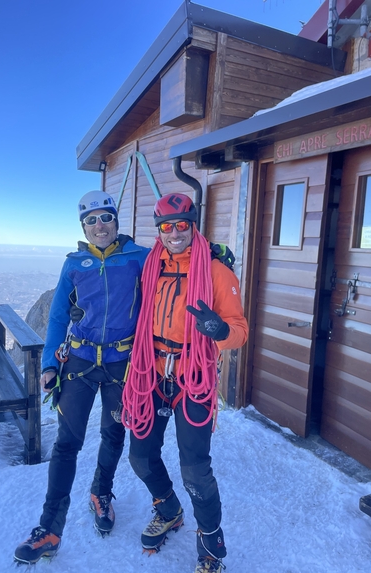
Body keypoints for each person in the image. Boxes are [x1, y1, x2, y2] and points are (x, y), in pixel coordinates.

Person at [14, 190, 150, 564]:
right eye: (90, 221)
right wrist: (48, 364)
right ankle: (49, 528)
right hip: (78, 363)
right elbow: (58, 317)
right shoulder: (74, 263)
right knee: (66, 444)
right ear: (83, 228)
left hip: (123, 364)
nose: (99, 226)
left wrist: (212, 254)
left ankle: (100, 493)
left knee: (114, 432)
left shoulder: (139, 257)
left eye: (105, 217)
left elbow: (177, 270)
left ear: (116, 221)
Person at [122, 193, 249, 573]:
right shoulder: (150, 265)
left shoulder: (215, 271)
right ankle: (169, 508)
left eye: (181, 225)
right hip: (153, 372)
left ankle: (211, 549)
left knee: (195, 468)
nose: (174, 233)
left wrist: (219, 329)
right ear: (158, 230)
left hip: (194, 376)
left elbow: (240, 332)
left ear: (192, 225)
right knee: (140, 454)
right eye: (166, 226)